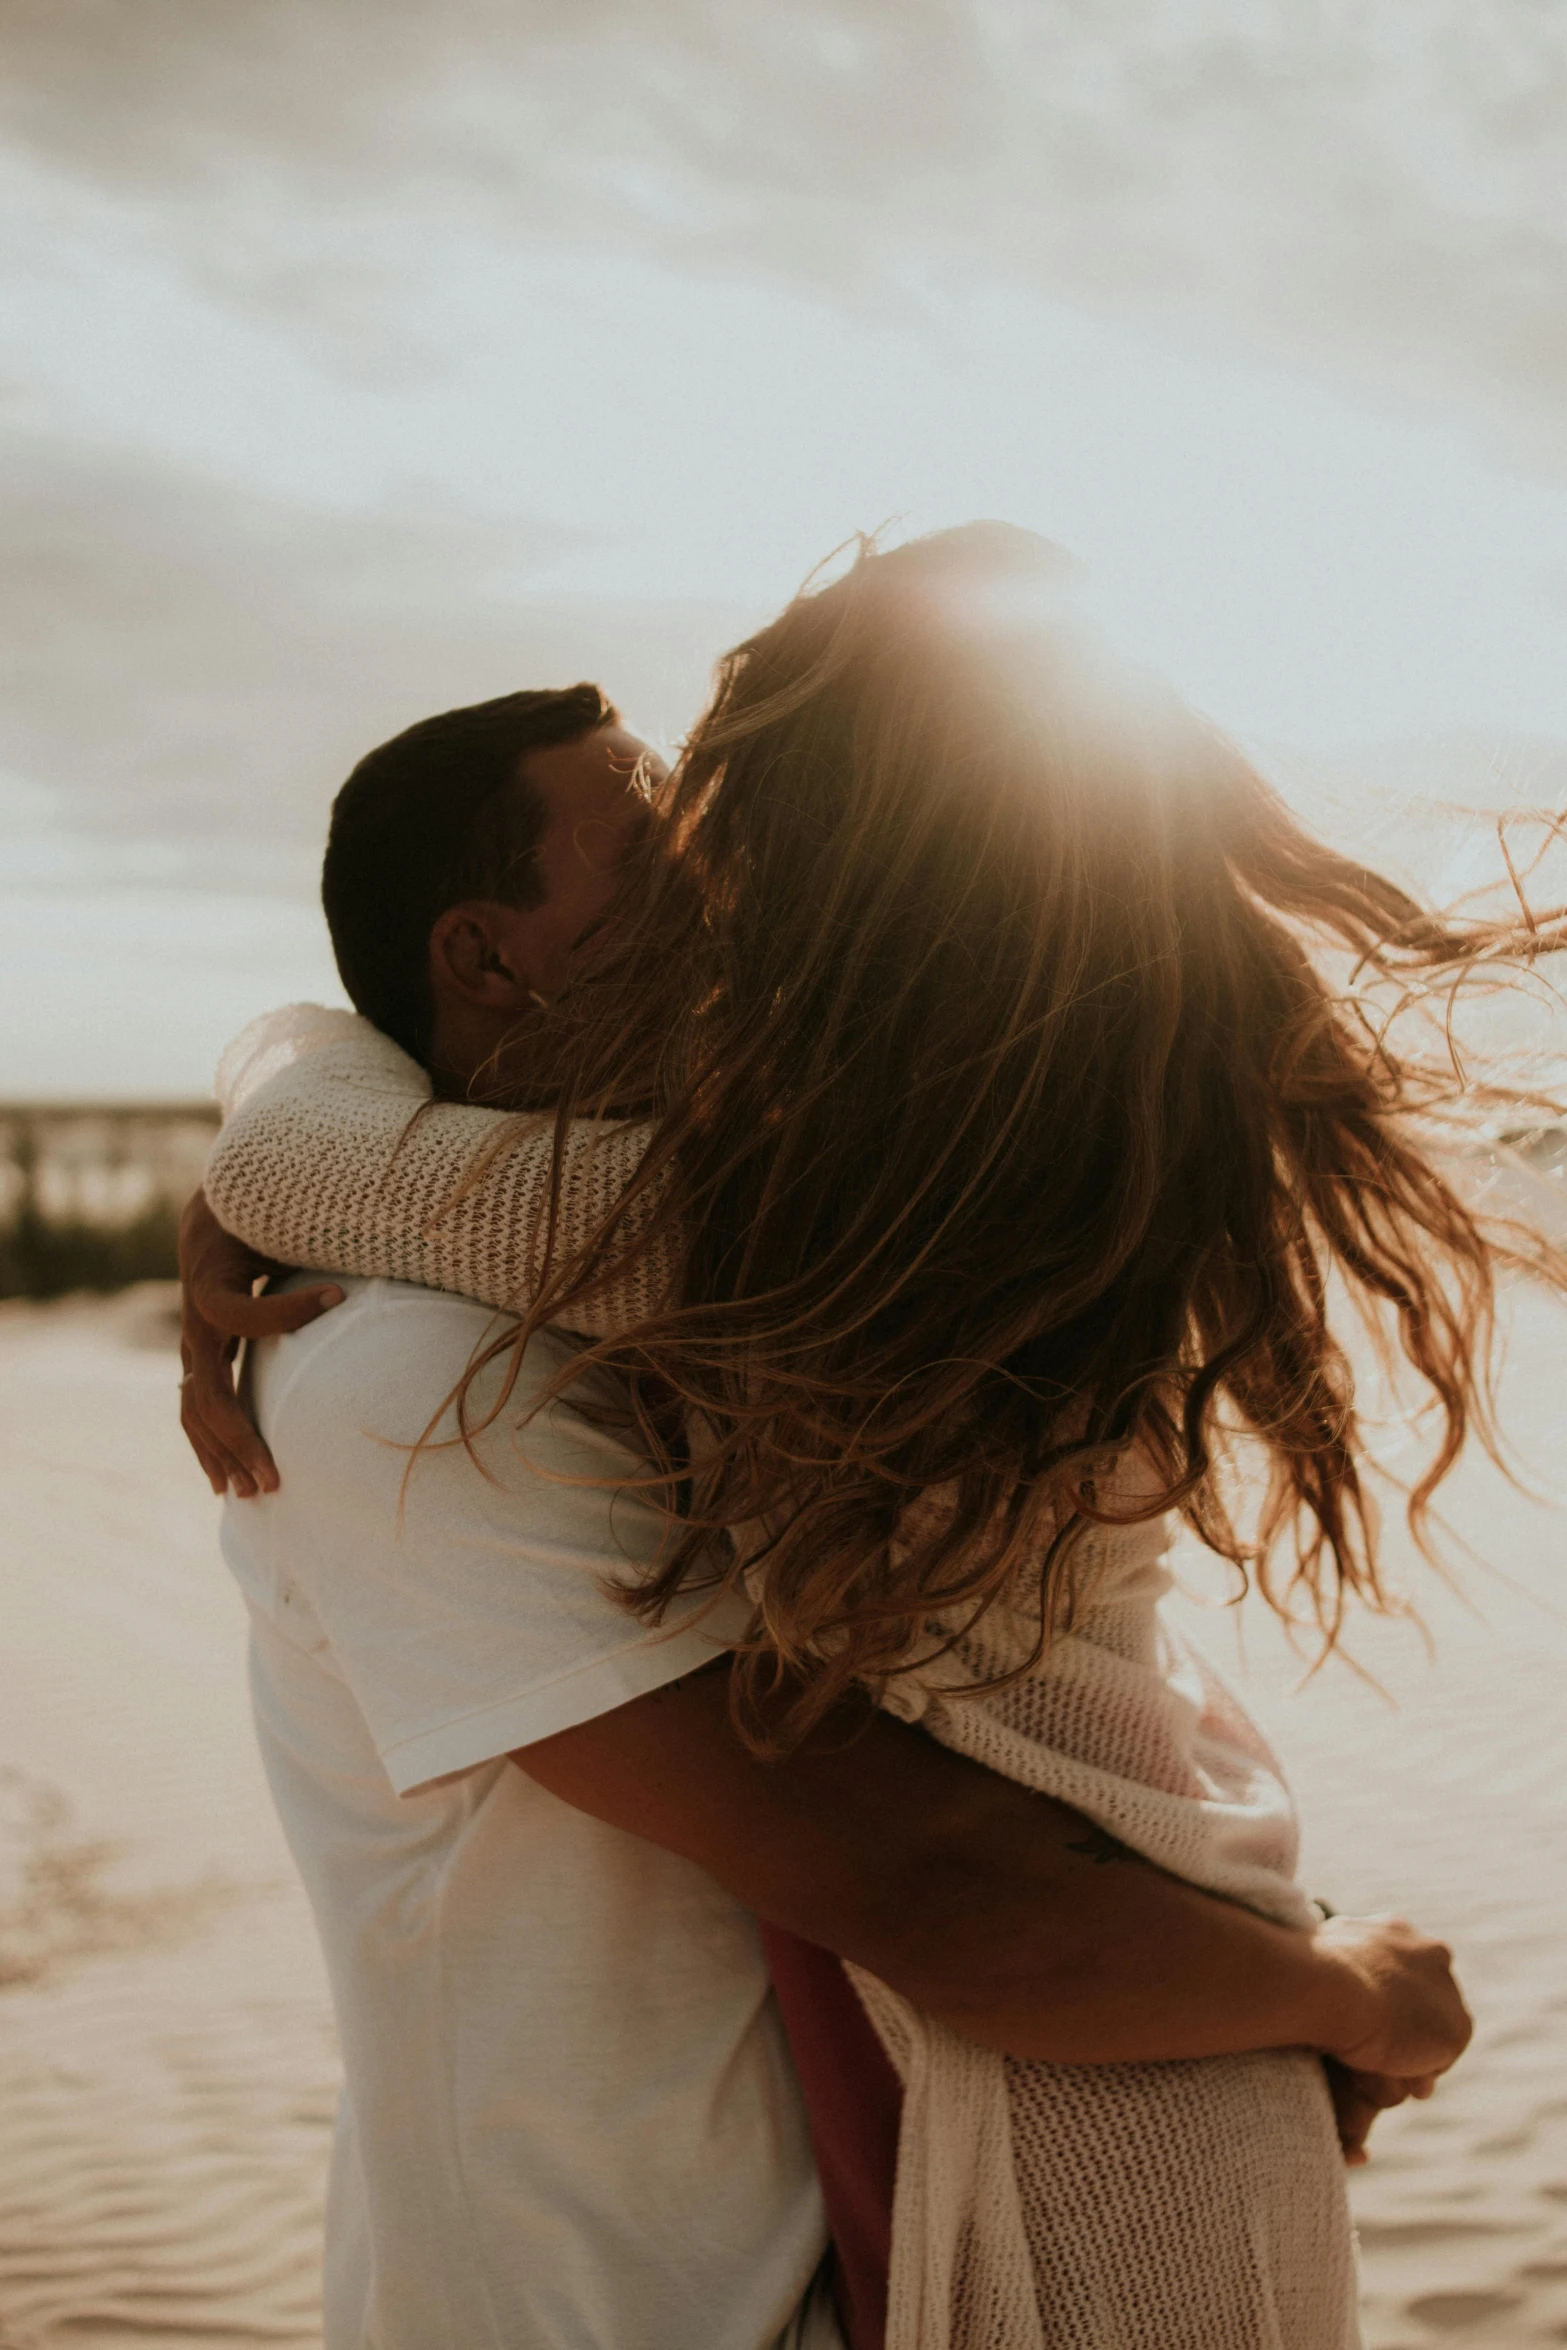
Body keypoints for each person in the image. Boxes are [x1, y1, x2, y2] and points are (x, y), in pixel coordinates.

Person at [181, 556, 1502, 2346]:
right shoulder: (423, 1361)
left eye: (728, 843)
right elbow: (947, 1876)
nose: (717, 901)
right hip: (914, 2145)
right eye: (664, 861)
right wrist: (1326, 1981)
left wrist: (275, 1108)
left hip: (1092, 2088)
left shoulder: (816, 1237)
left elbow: (363, 1173)